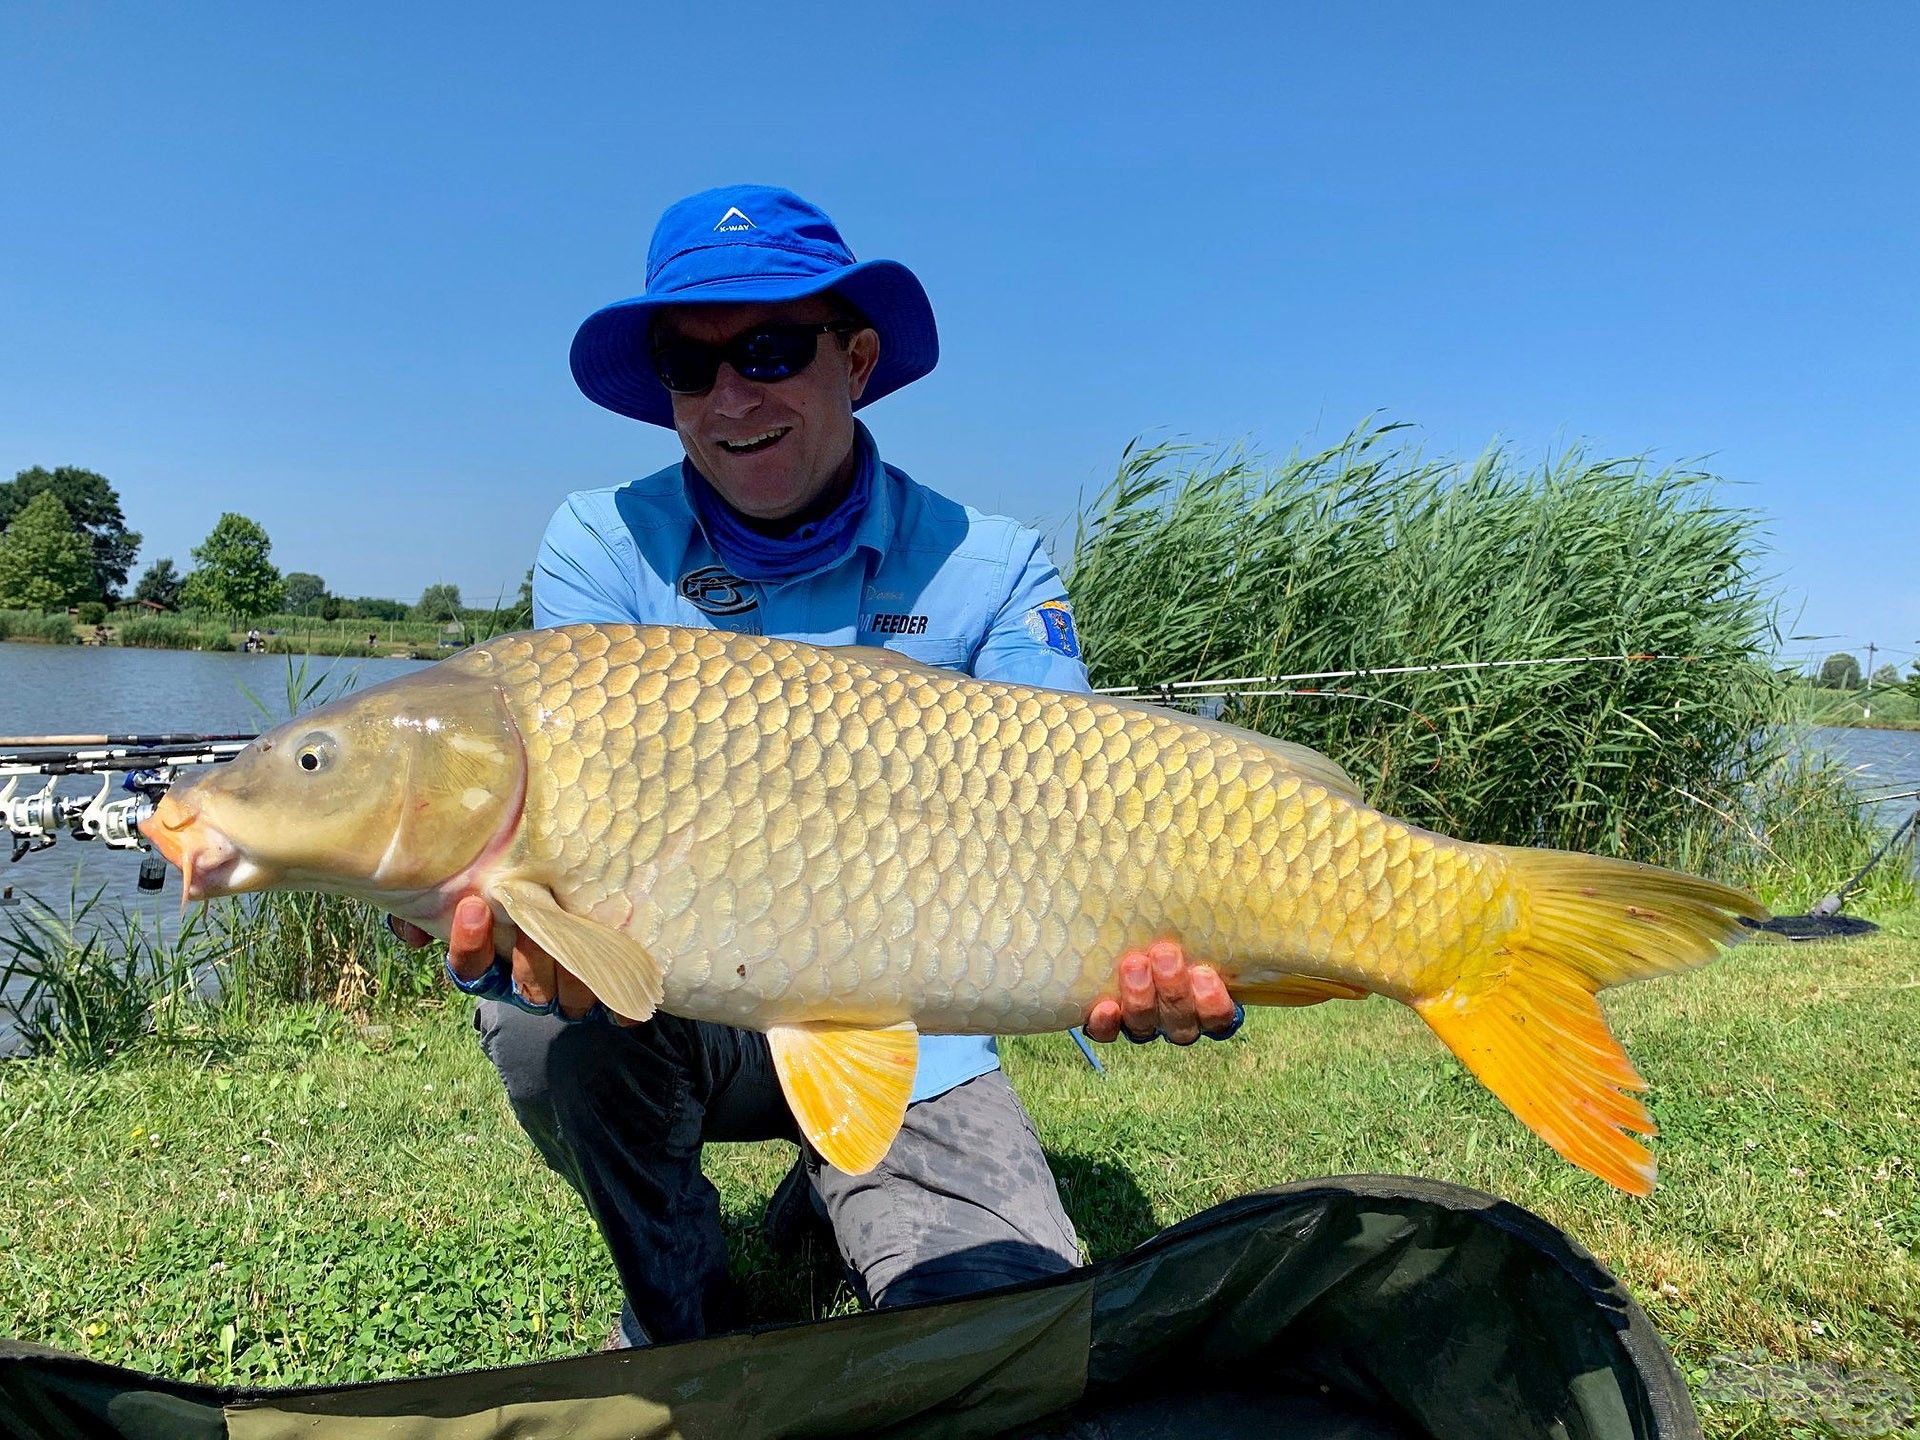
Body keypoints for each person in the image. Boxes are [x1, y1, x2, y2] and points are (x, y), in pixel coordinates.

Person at [391, 185, 1239, 1348]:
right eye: (691, 368)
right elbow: (547, 875)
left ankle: (839, 1179)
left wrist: (1155, 960)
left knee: (1001, 1339)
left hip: (913, 1020)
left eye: (772, 349)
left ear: (857, 356)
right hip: (673, 1004)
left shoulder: (988, 565)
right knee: (547, 1030)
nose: (732, 397)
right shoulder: (601, 543)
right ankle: (685, 1309)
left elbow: (1089, 813)